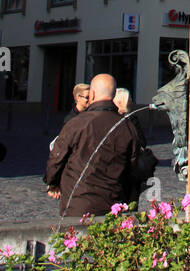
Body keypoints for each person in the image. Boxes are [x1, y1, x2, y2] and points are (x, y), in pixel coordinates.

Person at [44, 74, 141, 218]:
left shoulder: (77, 123)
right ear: (114, 94)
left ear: (92, 94)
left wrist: (52, 182)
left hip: (77, 203)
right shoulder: (127, 126)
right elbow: (133, 167)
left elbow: (57, 157)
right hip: (113, 204)